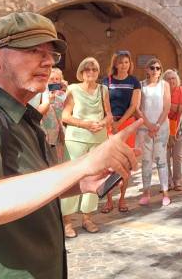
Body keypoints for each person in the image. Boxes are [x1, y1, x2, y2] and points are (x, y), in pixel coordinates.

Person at [0, 12, 141, 277]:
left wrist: (82, 182)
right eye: (34, 51)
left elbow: (25, 186)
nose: (48, 61)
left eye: (51, 54)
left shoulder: (20, 118)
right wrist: (83, 163)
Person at [60, 57, 111, 237]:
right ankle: (67, 222)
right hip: (76, 139)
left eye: (94, 70)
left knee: (95, 178)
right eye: (87, 70)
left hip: (98, 138)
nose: (91, 72)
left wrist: (103, 123)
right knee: (74, 178)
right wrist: (85, 125)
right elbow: (65, 116)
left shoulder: (103, 89)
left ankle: (87, 218)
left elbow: (109, 115)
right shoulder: (73, 89)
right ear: (81, 72)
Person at [101, 50, 142, 213]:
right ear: (115, 64)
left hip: (127, 124)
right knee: (109, 162)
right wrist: (112, 120)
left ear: (130, 64)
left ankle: (122, 198)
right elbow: (105, 103)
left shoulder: (134, 82)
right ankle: (109, 200)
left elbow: (134, 106)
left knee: (125, 162)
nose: (124, 65)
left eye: (126, 62)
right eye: (121, 62)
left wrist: (121, 123)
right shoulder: (106, 81)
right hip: (110, 124)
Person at [137, 58, 171, 207]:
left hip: (161, 128)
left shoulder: (165, 85)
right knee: (146, 161)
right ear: (147, 69)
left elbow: (167, 107)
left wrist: (156, 125)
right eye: (152, 68)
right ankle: (146, 192)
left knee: (161, 160)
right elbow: (138, 108)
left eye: (158, 68)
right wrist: (149, 125)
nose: (155, 70)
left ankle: (165, 192)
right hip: (145, 128)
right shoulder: (141, 85)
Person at [30, 67, 67, 162]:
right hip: (45, 131)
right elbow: (37, 111)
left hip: (60, 132)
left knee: (59, 159)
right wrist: (48, 101)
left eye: (57, 79)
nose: (54, 81)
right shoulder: (42, 92)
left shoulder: (63, 94)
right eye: (51, 79)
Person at [164, 69, 182, 191]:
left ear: (176, 79)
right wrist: (174, 107)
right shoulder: (162, 91)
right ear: (164, 81)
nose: (171, 80)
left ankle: (177, 180)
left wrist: (167, 105)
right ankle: (167, 181)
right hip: (164, 128)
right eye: (168, 78)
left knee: (177, 155)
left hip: (179, 127)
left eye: (173, 78)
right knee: (165, 156)